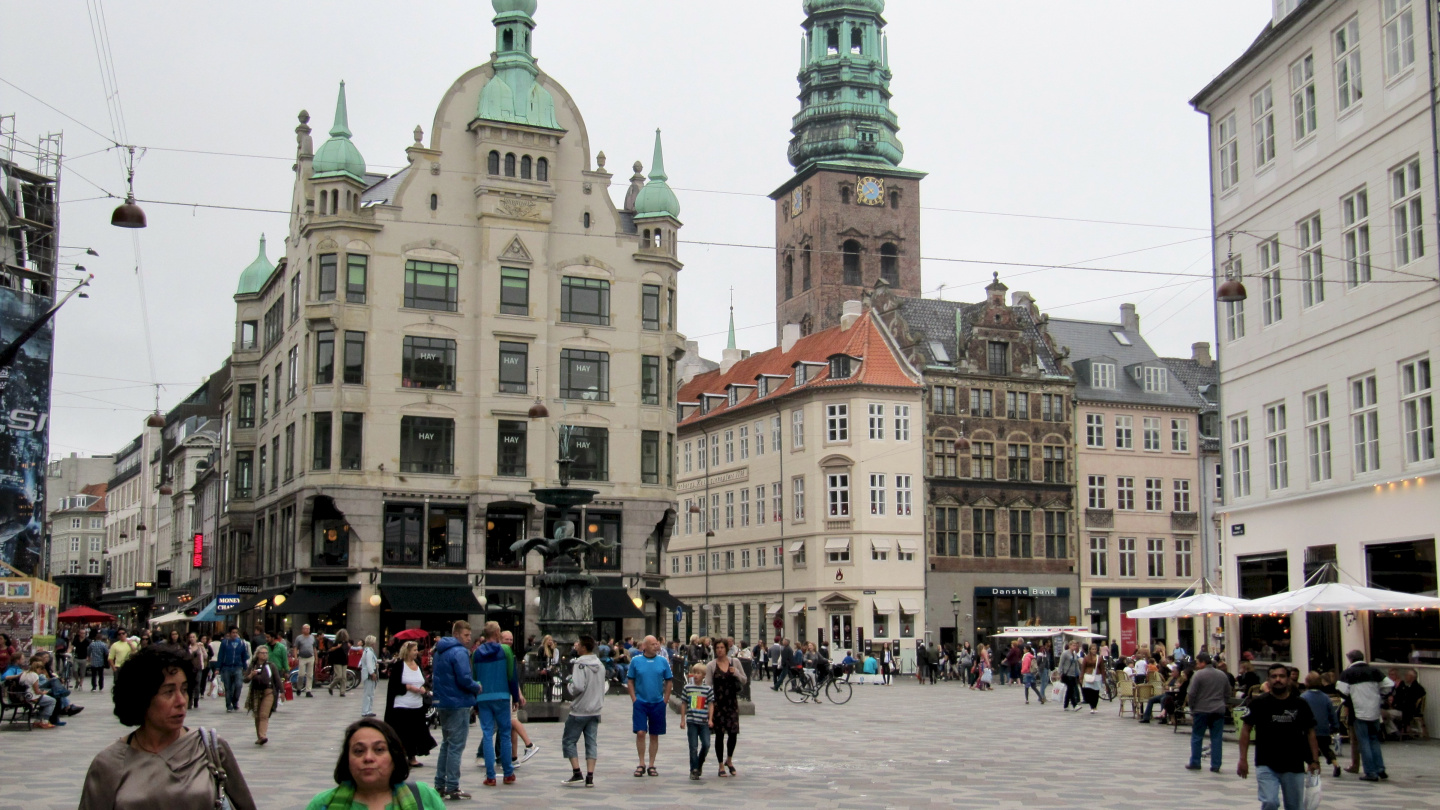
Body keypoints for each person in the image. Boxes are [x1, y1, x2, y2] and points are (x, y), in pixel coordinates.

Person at [79, 646, 257, 810]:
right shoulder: (108, 764)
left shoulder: (210, 748)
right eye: (169, 692)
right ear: (142, 697)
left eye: (184, 690)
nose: (181, 702)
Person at [305, 718, 447, 810]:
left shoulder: (423, 796)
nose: (368, 758)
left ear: (394, 756)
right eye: (358, 751)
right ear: (347, 759)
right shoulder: (323, 803)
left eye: (379, 750)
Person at [1238, 663, 1321, 810]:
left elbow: (1310, 732)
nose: (1278, 679)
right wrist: (1243, 759)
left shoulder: (1300, 704)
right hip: (1266, 763)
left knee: (1294, 806)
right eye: (1274, 676)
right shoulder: (1259, 703)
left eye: (1282, 676)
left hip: (1294, 764)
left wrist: (1314, 760)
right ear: (1268, 680)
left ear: (1289, 679)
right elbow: (1245, 730)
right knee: (1270, 802)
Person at [430, 622, 481, 800]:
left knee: (447, 743)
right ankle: (452, 785)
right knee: (456, 746)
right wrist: (476, 686)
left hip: (442, 701)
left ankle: (439, 783)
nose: (469, 639)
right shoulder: (459, 652)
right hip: (458, 701)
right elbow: (464, 678)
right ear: (457, 634)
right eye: (466, 635)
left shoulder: (439, 650)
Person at [470, 621, 524, 787]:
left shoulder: (476, 653)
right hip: (501, 696)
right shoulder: (505, 650)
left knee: (487, 734)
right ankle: (508, 773)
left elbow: (474, 678)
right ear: (497, 633)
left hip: (483, 697)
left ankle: (490, 775)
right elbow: (511, 676)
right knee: (505, 733)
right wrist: (515, 697)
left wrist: (475, 703)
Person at [1336, 648, 1392, 781]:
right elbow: (1389, 685)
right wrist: (1380, 696)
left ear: (1350, 659)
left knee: (1364, 742)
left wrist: (1349, 699)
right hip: (1374, 710)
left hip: (1358, 711)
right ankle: (1380, 768)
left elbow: (1340, 690)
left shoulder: (1348, 673)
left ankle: (1370, 772)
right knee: (1374, 740)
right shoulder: (1374, 671)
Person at [561, 635, 604, 788]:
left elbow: (577, 687)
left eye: (578, 643)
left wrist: (569, 684)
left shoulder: (580, 664)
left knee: (569, 740)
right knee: (591, 742)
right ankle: (590, 776)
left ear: (584, 647)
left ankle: (577, 771)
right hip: (595, 709)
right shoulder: (600, 665)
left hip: (579, 710)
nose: (576, 645)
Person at [627, 634, 673, 778]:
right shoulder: (636, 661)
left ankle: (652, 764)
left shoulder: (662, 661)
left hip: (657, 702)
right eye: (653, 644)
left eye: (657, 644)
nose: (656, 646)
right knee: (641, 732)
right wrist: (634, 699)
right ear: (645, 646)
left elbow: (669, 681)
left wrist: (665, 700)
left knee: (654, 734)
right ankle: (641, 763)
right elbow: (630, 680)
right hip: (641, 702)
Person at [384, 641, 435, 768]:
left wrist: (424, 688)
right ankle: (400, 757)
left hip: (417, 705)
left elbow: (423, 680)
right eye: (414, 650)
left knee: (415, 732)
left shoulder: (417, 664)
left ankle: (412, 757)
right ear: (407, 651)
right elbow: (393, 686)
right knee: (402, 732)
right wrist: (408, 687)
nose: (416, 652)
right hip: (402, 705)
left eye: (417, 650)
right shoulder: (399, 665)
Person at [704, 638, 747, 777]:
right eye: (717, 648)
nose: (719, 650)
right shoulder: (711, 665)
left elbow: (744, 680)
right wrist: (708, 704)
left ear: (726, 649)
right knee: (719, 735)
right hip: (718, 703)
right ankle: (720, 764)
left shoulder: (735, 662)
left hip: (731, 702)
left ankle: (729, 759)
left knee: (733, 733)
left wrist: (736, 673)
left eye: (722, 647)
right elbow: (708, 685)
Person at [498, 630, 539, 767]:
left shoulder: (506, 654)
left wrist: (518, 695)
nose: (509, 641)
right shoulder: (506, 653)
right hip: (509, 691)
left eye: (510, 639)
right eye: (506, 639)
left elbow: (512, 677)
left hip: (507, 693)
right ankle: (514, 757)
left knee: (512, 720)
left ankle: (529, 744)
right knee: (512, 727)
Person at [1184, 652, 1230, 773]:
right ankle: (1216, 764)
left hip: (1201, 710)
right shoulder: (1222, 675)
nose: (1197, 665)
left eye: (1198, 663)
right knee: (1216, 738)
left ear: (1203, 662)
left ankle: (1195, 762)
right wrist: (1222, 703)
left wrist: (1192, 708)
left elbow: (1192, 694)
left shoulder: (1198, 675)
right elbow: (1227, 693)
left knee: (1197, 737)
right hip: (1218, 710)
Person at [1299, 671, 1342, 778]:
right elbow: (1332, 713)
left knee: (1308, 748)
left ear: (1307, 683)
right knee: (1325, 748)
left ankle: (1311, 767)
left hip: (1309, 729)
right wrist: (1335, 725)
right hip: (1324, 728)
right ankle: (1335, 764)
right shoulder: (1325, 697)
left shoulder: (1303, 697)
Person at [243, 646, 281, 745]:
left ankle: (263, 735)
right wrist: (251, 675)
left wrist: (282, 692)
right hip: (256, 692)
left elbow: (277, 679)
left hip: (268, 692)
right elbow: (245, 679)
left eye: (266, 653)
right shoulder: (253, 665)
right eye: (262, 653)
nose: (264, 655)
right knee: (257, 715)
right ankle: (260, 736)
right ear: (258, 654)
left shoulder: (270, 665)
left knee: (264, 715)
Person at [681, 663, 713, 781]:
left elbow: (710, 704)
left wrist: (710, 719)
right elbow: (684, 703)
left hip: (703, 721)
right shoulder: (687, 688)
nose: (695, 675)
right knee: (693, 746)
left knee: (706, 744)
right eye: (694, 673)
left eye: (698, 673)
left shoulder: (707, 689)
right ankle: (694, 769)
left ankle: (699, 763)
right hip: (692, 721)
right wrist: (683, 720)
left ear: (704, 675)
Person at [19, 655, 60, 728]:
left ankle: (38, 720)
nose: (41, 672)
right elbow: (37, 691)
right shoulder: (34, 675)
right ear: (37, 668)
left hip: (23, 695)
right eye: (41, 670)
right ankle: (45, 720)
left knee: (45, 701)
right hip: (31, 696)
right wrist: (43, 692)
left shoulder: (24, 673)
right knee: (52, 701)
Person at [1385, 668, 1426, 738]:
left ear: (1412, 677)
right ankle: (1394, 731)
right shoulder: (1410, 687)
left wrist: (1395, 705)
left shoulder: (1414, 689)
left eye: (1407, 675)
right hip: (1404, 710)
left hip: (1406, 712)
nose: (1405, 677)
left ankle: (1394, 732)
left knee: (1384, 714)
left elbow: (1408, 704)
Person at [217, 627, 249, 713]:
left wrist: (245, 668)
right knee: (228, 687)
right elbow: (220, 655)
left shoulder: (242, 643)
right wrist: (218, 667)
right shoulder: (225, 643)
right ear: (229, 634)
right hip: (226, 667)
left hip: (237, 667)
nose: (234, 634)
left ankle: (235, 701)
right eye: (233, 632)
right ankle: (228, 705)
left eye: (236, 632)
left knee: (238, 685)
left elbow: (244, 657)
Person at [295, 623, 318, 697]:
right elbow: (295, 648)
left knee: (310, 675)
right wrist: (295, 657)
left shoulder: (312, 637)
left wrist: (316, 658)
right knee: (301, 674)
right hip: (302, 657)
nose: (307, 630)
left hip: (311, 657)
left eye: (308, 629)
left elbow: (314, 648)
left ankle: (308, 690)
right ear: (302, 629)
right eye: (305, 628)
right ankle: (299, 687)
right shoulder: (299, 638)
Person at [359, 635, 380, 717]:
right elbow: (369, 664)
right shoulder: (369, 652)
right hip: (369, 674)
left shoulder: (368, 651)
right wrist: (372, 673)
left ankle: (368, 710)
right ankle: (366, 711)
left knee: (370, 693)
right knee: (368, 693)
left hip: (369, 673)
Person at [1058, 641, 1081, 710]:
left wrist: (1079, 673)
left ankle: (1066, 705)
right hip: (1066, 674)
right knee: (1071, 689)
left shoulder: (1074, 654)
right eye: (1073, 645)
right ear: (1070, 645)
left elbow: (1076, 664)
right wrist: (1060, 673)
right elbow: (1061, 663)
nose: (1075, 647)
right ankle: (1074, 705)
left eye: (1075, 645)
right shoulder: (1065, 653)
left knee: (1069, 689)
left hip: (1073, 674)